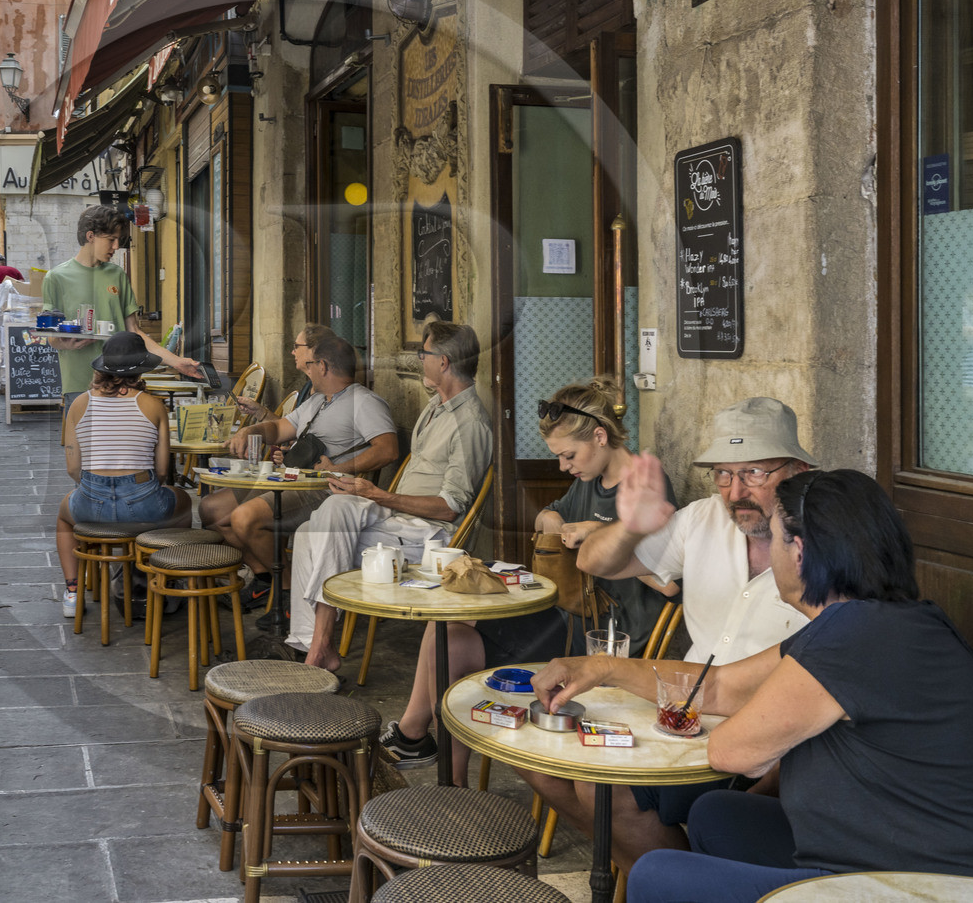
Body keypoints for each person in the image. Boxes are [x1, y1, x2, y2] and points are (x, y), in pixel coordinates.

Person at [536, 469, 973, 901]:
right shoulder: (870, 621)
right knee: (718, 814)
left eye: (774, 532)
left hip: (943, 884)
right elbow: (717, 687)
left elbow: (731, 750)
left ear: (802, 552)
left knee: (657, 878)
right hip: (884, 849)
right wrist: (600, 668)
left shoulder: (858, 637)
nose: (766, 546)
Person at [525, 397, 817, 872]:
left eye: (753, 474)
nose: (735, 491)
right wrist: (632, 526)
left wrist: (606, 669)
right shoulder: (704, 518)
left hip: (769, 743)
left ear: (797, 470)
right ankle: (670, 876)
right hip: (684, 715)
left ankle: (674, 878)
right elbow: (593, 562)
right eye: (723, 474)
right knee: (544, 757)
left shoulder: (823, 544)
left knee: (601, 788)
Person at [379, 377, 676, 776]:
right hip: (569, 612)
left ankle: (419, 742)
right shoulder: (589, 480)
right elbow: (547, 516)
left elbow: (669, 582)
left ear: (601, 437)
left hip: (609, 633)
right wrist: (553, 519)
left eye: (569, 455)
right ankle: (443, 773)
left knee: (450, 641)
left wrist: (598, 534)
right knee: (445, 628)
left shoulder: (643, 486)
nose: (563, 466)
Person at [289, 320, 492, 670]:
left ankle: (318, 648)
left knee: (322, 524)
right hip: (398, 521)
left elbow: (450, 509)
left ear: (442, 362)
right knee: (321, 520)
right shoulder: (435, 407)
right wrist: (369, 494)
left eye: (423, 354)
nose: (419, 361)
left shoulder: (470, 423)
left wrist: (379, 496)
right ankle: (314, 644)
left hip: (429, 536)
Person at [199, 326, 399, 611]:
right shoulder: (318, 400)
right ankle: (267, 579)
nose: (307, 367)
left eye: (311, 363)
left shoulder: (364, 401)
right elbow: (279, 427)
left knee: (244, 519)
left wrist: (338, 468)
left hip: (324, 490)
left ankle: (290, 592)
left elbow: (388, 449)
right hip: (291, 479)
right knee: (211, 511)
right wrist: (251, 430)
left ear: (324, 366)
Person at [55, 331, 192, 617]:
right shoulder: (154, 405)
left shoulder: (78, 404)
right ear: (143, 368)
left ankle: (72, 591)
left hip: (91, 504)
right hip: (143, 504)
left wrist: (99, 488)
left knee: (63, 519)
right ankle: (168, 576)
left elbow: (72, 468)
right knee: (183, 502)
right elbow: (164, 470)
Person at [42, 205, 200, 404]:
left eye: (118, 240)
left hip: (123, 383)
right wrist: (65, 342)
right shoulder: (56, 278)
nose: (116, 247)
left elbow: (134, 331)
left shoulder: (117, 275)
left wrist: (177, 362)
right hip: (79, 383)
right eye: (111, 240)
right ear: (91, 236)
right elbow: (50, 336)